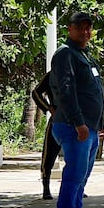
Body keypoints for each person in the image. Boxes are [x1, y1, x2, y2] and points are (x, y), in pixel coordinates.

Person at [49, 11, 104, 208]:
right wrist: (79, 122)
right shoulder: (65, 54)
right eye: (80, 27)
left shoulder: (84, 55)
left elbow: (93, 91)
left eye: (88, 28)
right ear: (70, 29)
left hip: (90, 128)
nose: (85, 32)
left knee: (81, 177)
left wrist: (98, 124)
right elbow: (66, 90)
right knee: (73, 175)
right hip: (74, 127)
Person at [32, 72, 61, 200]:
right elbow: (36, 93)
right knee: (49, 154)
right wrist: (48, 108)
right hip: (57, 119)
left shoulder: (78, 72)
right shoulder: (52, 75)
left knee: (78, 157)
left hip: (76, 120)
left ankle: (78, 187)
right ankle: (46, 187)